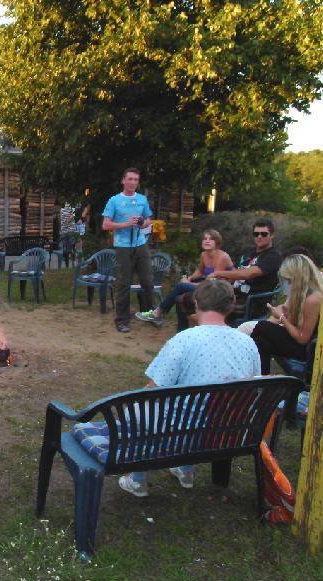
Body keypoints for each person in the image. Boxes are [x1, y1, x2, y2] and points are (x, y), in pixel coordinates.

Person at [116, 280, 261, 497]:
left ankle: (137, 479)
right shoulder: (248, 343)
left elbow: (153, 389)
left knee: (136, 410)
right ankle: (185, 470)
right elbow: (253, 385)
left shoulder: (184, 340)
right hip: (230, 432)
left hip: (182, 434)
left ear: (196, 303)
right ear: (230, 306)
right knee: (198, 407)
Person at [135, 229, 233, 330]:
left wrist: (188, 284)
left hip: (219, 290)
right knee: (179, 299)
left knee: (181, 286)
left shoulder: (222, 257)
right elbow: (200, 271)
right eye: (205, 239)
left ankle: (157, 313)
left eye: (211, 239)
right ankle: (181, 331)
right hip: (208, 285)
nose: (207, 241)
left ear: (217, 242)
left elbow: (214, 282)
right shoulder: (204, 255)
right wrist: (189, 279)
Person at [248, 254, 322, 374]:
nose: (285, 283)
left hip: (308, 349)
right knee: (261, 343)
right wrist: (288, 315)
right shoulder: (303, 294)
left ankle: (246, 370)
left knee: (262, 326)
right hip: (302, 344)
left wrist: (282, 318)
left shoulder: (313, 298)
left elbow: (303, 338)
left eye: (287, 280)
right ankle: (261, 383)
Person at [102, 168, 155, 333]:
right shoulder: (114, 201)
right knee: (124, 283)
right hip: (123, 246)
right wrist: (125, 224)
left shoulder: (142, 199)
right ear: (123, 181)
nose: (133, 182)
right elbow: (106, 224)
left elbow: (148, 220)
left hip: (140, 244)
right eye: (130, 179)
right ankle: (122, 320)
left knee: (147, 280)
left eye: (136, 180)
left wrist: (142, 223)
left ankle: (148, 313)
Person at [207, 218, 281, 320]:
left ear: (272, 235)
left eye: (264, 234)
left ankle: (211, 331)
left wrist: (218, 273)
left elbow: (248, 274)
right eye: (256, 234)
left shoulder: (273, 256)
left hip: (251, 302)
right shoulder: (248, 252)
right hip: (233, 294)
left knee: (208, 307)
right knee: (186, 299)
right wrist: (221, 281)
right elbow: (236, 272)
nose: (259, 237)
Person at [58, 201, 78, 268]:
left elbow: (61, 220)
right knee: (69, 247)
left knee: (68, 247)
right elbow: (66, 219)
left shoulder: (63, 210)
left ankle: (69, 260)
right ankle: (70, 261)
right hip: (68, 231)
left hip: (66, 231)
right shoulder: (72, 210)